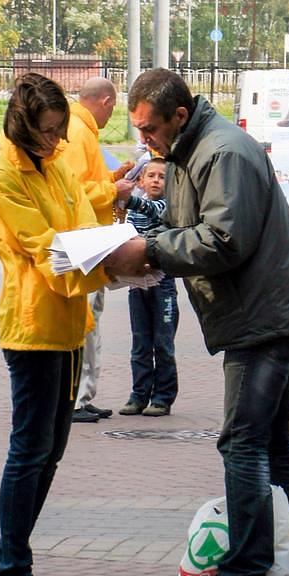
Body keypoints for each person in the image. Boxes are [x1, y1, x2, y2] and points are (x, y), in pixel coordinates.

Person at [105, 68, 289, 576]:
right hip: (268, 314)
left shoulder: (221, 151)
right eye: (138, 129)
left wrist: (151, 253)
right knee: (273, 444)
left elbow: (225, 239)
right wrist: (142, 236)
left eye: (150, 128)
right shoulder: (193, 149)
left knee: (244, 444)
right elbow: (196, 227)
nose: (144, 140)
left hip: (266, 320)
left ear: (179, 116)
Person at [0, 73, 109, 576]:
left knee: (50, 449)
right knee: (30, 449)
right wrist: (108, 260)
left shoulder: (51, 164)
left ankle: (10, 552)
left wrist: (106, 245)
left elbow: (81, 224)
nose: (57, 142)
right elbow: (46, 248)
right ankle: (13, 568)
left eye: (60, 132)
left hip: (69, 324)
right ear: (22, 125)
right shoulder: (1, 174)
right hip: (32, 327)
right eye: (49, 132)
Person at [61, 77, 134, 423]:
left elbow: (84, 180)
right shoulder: (78, 131)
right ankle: (76, 398)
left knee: (91, 320)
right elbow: (73, 191)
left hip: (89, 242)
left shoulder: (81, 129)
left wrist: (110, 178)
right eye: (113, 107)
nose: (112, 115)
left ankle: (83, 395)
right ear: (105, 101)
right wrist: (111, 189)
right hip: (83, 244)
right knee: (86, 321)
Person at [118, 157, 179, 417]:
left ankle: (163, 397)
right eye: (151, 176)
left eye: (162, 177)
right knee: (140, 342)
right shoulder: (133, 212)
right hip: (137, 285)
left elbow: (153, 210)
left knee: (163, 343)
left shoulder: (170, 206)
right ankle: (138, 395)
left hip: (162, 285)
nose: (156, 180)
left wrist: (125, 198)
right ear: (141, 180)